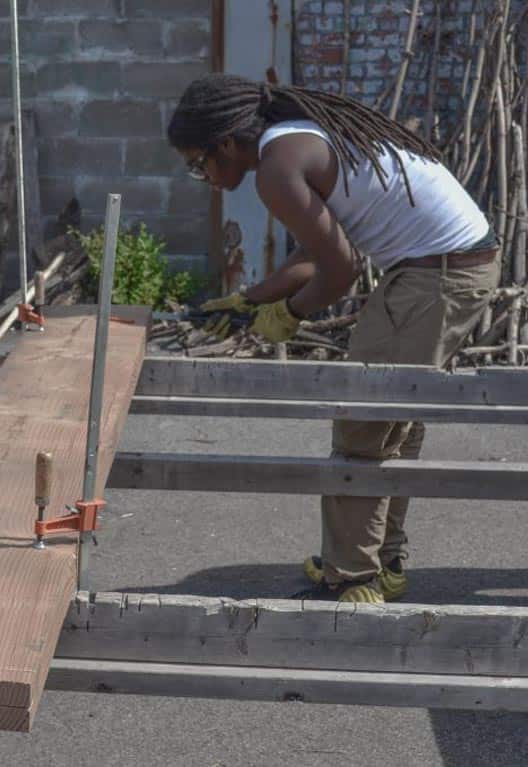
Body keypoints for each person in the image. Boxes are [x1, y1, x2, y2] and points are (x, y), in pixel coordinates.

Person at [167, 74, 499, 604]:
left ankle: (355, 580)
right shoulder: (296, 139)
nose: (202, 173)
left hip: (435, 275)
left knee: (364, 422)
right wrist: (251, 299)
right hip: (447, 266)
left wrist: (290, 314)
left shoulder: (275, 169)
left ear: (226, 142)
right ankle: (379, 559)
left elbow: (340, 270)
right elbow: (320, 249)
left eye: (198, 161)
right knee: (393, 417)